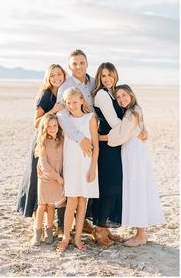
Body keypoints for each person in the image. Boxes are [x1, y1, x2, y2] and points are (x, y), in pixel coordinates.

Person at [105, 84, 165, 246]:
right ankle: (139, 233)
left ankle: (141, 235)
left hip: (135, 154)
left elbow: (121, 135)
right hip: (132, 152)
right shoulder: (132, 111)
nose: (121, 99)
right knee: (136, 189)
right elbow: (142, 132)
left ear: (131, 95)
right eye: (118, 97)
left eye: (124, 95)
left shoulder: (133, 112)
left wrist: (98, 137)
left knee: (138, 189)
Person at [16, 64, 66, 232]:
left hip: (57, 144)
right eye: (53, 75)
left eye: (60, 74)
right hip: (43, 143)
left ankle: (54, 225)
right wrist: (53, 110)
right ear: (48, 77)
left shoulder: (63, 92)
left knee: (56, 180)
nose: (57, 77)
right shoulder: (45, 95)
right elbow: (36, 123)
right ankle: (38, 225)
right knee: (39, 181)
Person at [56, 49, 95, 233]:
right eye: (74, 64)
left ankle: (86, 224)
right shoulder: (66, 87)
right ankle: (65, 229)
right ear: (70, 67)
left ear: (87, 63)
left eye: (81, 63)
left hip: (94, 135)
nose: (78, 67)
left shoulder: (93, 83)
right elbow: (62, 116)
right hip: (76, 141)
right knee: (71, 188)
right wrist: (80, 139)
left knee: (87, 184)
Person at [57, 87, 99, 251]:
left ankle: (78, 238)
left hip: (87, 165)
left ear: (82, 100)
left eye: (75, 102)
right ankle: (66, 236)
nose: (72, 105)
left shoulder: (90, 118)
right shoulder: (65, 121)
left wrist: (93, 168)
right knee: (71, 202)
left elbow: (95, 146)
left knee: (83, 202)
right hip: (71, 166)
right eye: (68, 103)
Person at [91, 62, 124, 246]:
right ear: (99, 78)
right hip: (107, 147)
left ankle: (105, 227)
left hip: (114, 144)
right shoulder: (102, 95)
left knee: (114, 186)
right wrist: (132, 129)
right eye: (103, 76)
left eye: (110, 75)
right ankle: (99, 229)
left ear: (115, 75)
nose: (107, 79)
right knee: (108, 186)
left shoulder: (113, 92)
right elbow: (114, 122)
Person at [32, 114, 66, 246]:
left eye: (55, 126)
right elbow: (44, 164)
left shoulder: (61, 140)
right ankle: (37, 232)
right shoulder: (42, 142)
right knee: (42, 206)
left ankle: (49, 231)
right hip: (46, 178)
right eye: (49, 126)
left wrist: (60, 176)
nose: (52, 128)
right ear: (45, 128)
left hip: (57, 178)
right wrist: (57, 177)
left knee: (52, 205)